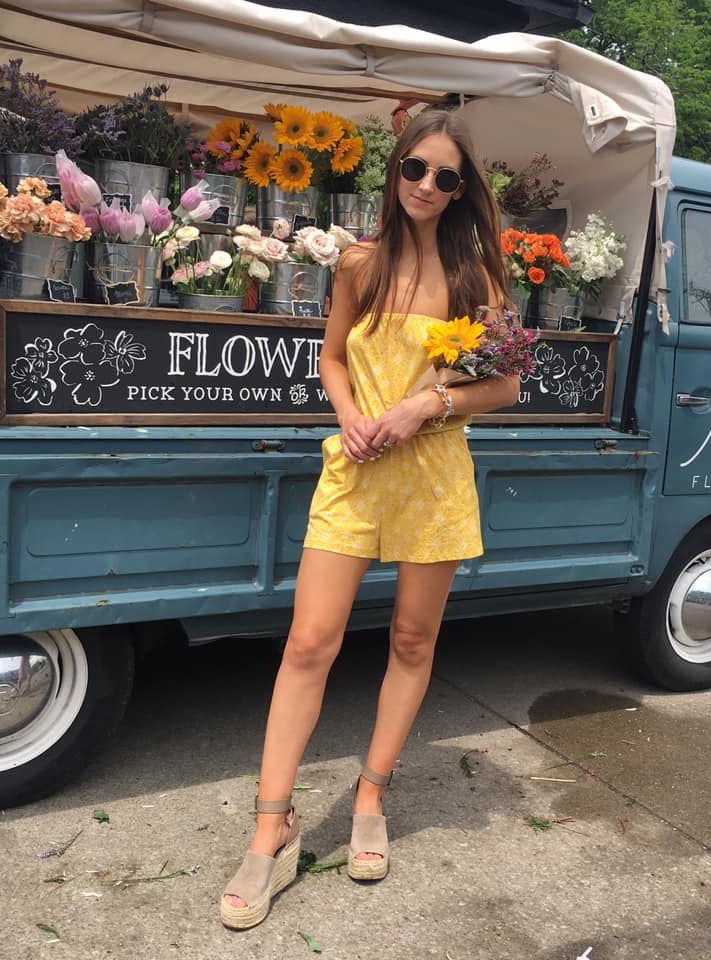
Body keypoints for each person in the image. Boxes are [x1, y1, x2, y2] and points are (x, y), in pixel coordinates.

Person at [220, 108, 519, 930]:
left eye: (446, 177)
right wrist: (349, 410)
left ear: (463, 192)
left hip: (432, 476)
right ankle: (269, 825)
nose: (427, 186)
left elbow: (506, 386)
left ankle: (370, 794)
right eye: (416, 169)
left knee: (413, 642)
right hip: (355, 472)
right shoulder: (359, 262)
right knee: (309, 643)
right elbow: (329, 355)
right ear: (395, 171)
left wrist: (432, 401)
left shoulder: (478, 278)